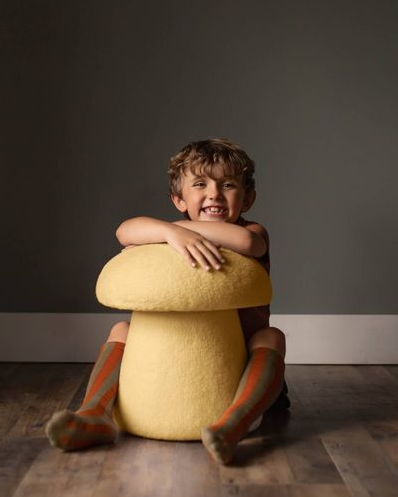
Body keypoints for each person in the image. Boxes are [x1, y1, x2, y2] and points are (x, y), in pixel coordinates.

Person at [45, 137, 289, 464]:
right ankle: (95, 414)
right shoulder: (176, 235)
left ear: (247, 199)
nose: (214, 193)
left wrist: (174, 231)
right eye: (200, 184)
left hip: (243, 356)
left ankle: (236, 422)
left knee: (272, 337)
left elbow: (246, 242)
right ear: (179, 199)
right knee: (121, 329)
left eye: (228, 185)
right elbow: (124, 231)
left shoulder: (252, 230)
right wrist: (172, 233)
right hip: (178, 352)